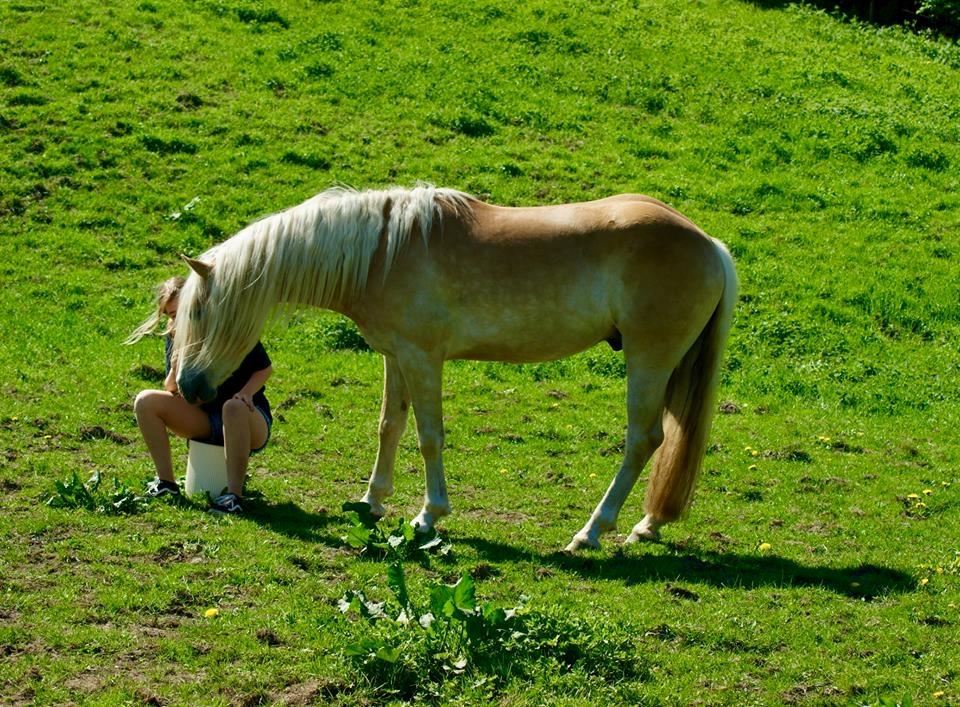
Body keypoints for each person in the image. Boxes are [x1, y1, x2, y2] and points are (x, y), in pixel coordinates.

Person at [126, 276, 273, 514]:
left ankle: (234, 496)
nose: (176, 320)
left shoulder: (231, 326)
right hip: (205, 419)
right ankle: (166, 483)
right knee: (145, 401)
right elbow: (171, 389)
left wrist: (246, 394)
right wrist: (175, 365)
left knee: (232, 407)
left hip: (247, 420)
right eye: (171, 316)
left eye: (180, 312)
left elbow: (264, 368)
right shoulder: (175, 335)